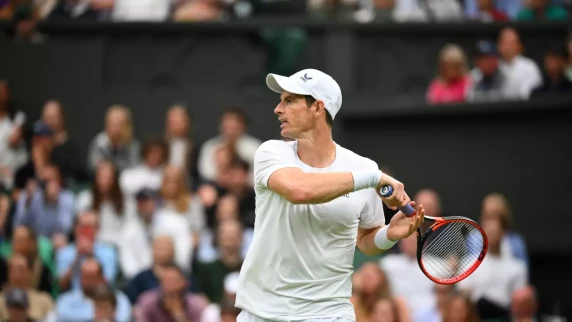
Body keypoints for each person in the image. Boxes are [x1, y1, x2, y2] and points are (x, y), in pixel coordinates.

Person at [235, 68, 425, 322]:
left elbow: (365, 238)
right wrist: (373, 178)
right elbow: (299, 189)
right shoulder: (271, 153)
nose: (278, 109)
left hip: (330, 314)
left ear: (317, 108)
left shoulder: (364, 168)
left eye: (289, 100)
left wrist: (389, 234)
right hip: (263, 314)